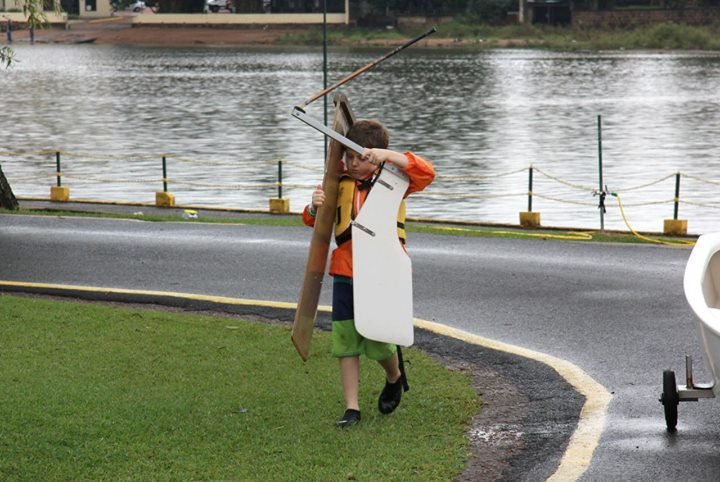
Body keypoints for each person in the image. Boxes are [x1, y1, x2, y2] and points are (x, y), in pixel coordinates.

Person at [302, 119, 435, 428]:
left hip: (381, 270)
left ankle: (393, 375)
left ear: (374, 156)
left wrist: (386, 156)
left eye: (361, 157)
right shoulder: (338, 182)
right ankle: (352, 408)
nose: (353, 163)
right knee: (346, 339)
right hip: (345, 271)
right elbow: (313, 222)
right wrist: (313, 206)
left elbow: (427, 172)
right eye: (349, 156)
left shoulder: (395, 181)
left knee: (377, 341)